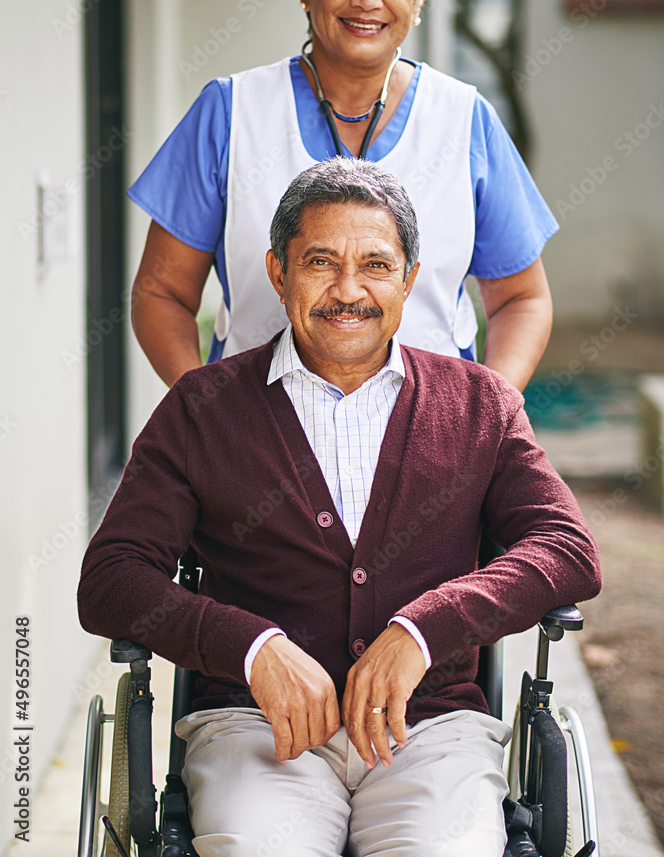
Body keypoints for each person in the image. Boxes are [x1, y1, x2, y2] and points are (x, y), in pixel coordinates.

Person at [79, 158, 600, 857]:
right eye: (320, 261)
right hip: (255, 725)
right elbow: (112, 579)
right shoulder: (201, 408)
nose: (348, 291)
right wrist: (252, 648)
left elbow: (564, 548)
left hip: (430, 732)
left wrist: (422, 630)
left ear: (409, 280)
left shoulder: (479, 404)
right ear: (277, 272)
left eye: (376, 266)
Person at [128, 0, 557, 392]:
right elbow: (160, 293)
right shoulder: (230, 112)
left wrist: (485, 420)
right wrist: (207, 418)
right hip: (261, 450)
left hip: (429, 449)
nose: (368, 0)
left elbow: (523, 299)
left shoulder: (464, 119)